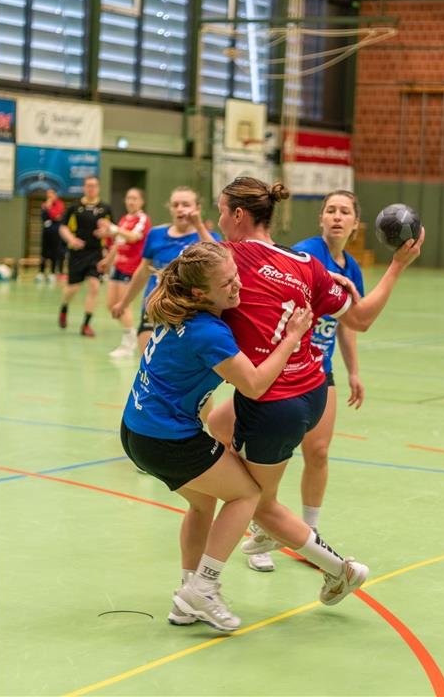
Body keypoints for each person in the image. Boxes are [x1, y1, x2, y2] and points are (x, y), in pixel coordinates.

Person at [207, 176, 424, 604]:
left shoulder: (228, 259)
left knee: (256, 501)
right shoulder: (305, 261)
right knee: (215, 424)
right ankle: (262, 529)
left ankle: (337, 569)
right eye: (331, 210)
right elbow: (359, 319)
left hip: (275, 395)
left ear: (237, 215)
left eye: (219, 210)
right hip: (309, 387)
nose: (217, 220)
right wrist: (397, 266)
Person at [120, 242, 313, 632]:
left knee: (202, 505)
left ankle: (187, 595)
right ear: (199, 293)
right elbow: (255, 384)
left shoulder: (182, 312)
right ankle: (204, 588)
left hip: (136, 430)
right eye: (227, 283)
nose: (237, 286)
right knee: (246, 494)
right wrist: (291, 338)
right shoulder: (208, 332)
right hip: (166, 438)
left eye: (235, 275)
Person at [248, 189, 365, 572]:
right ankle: (261, 528)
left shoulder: (353, 268)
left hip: (321, 366)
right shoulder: (304, 253)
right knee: (275, 453)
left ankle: (307, 536)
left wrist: (354, 371)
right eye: (330, 210)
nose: (336, 216)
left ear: (355, 223)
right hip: (286, 366)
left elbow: (349, 322)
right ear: (320, 219)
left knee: (318, 452)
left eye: (344, 212)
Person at [112, 186, 220, 355]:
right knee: (148, 367)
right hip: (154, 310)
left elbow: (218, 260)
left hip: (188, 314)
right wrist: (124, 303)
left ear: (197, 208)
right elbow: (142, 271)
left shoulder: (207, 237)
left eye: (186, 204)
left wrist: (199, 226)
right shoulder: (156, 234)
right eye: (175, 205)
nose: (180, 209)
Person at [95, 188, 151, 358]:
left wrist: (112, 228)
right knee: (111, 305)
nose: (131, 201)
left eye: (134, 198)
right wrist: (107, 261)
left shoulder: (142, 219)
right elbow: (118, 243)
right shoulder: (124, 220)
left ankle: (128, 344)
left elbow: (133, 237)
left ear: (141, 201)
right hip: (118, 267)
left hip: (133, 268)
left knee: (123, 304)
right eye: (128, 198)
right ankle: (131, 333)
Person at [58, 176, 113, 337]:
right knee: (72, 288)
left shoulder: (105, 208)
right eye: (88, 186)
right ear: (84, 188)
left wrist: (106, 232)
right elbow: (62, 227)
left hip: (96, 252)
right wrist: (72, 240)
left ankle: (86, 324)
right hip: (78, 253)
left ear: (99, 188)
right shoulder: (75, 207)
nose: (91, 188)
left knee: (94, 286)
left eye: (94, 186)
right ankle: (64, 307)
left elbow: (112, 228)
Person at [35, 188, 65, 283]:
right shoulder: (44, 205)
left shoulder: (60, 204)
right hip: (46, 232)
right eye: (48, 194)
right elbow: (43, 217)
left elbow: (57, 216)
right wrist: (46, 208)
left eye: (51, 194)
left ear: (55, 195)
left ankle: (52, 273)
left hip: (56, 233)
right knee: (44, 253)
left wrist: (49, 208)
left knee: (54, 253)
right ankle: (41, 273)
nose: (49, 196)